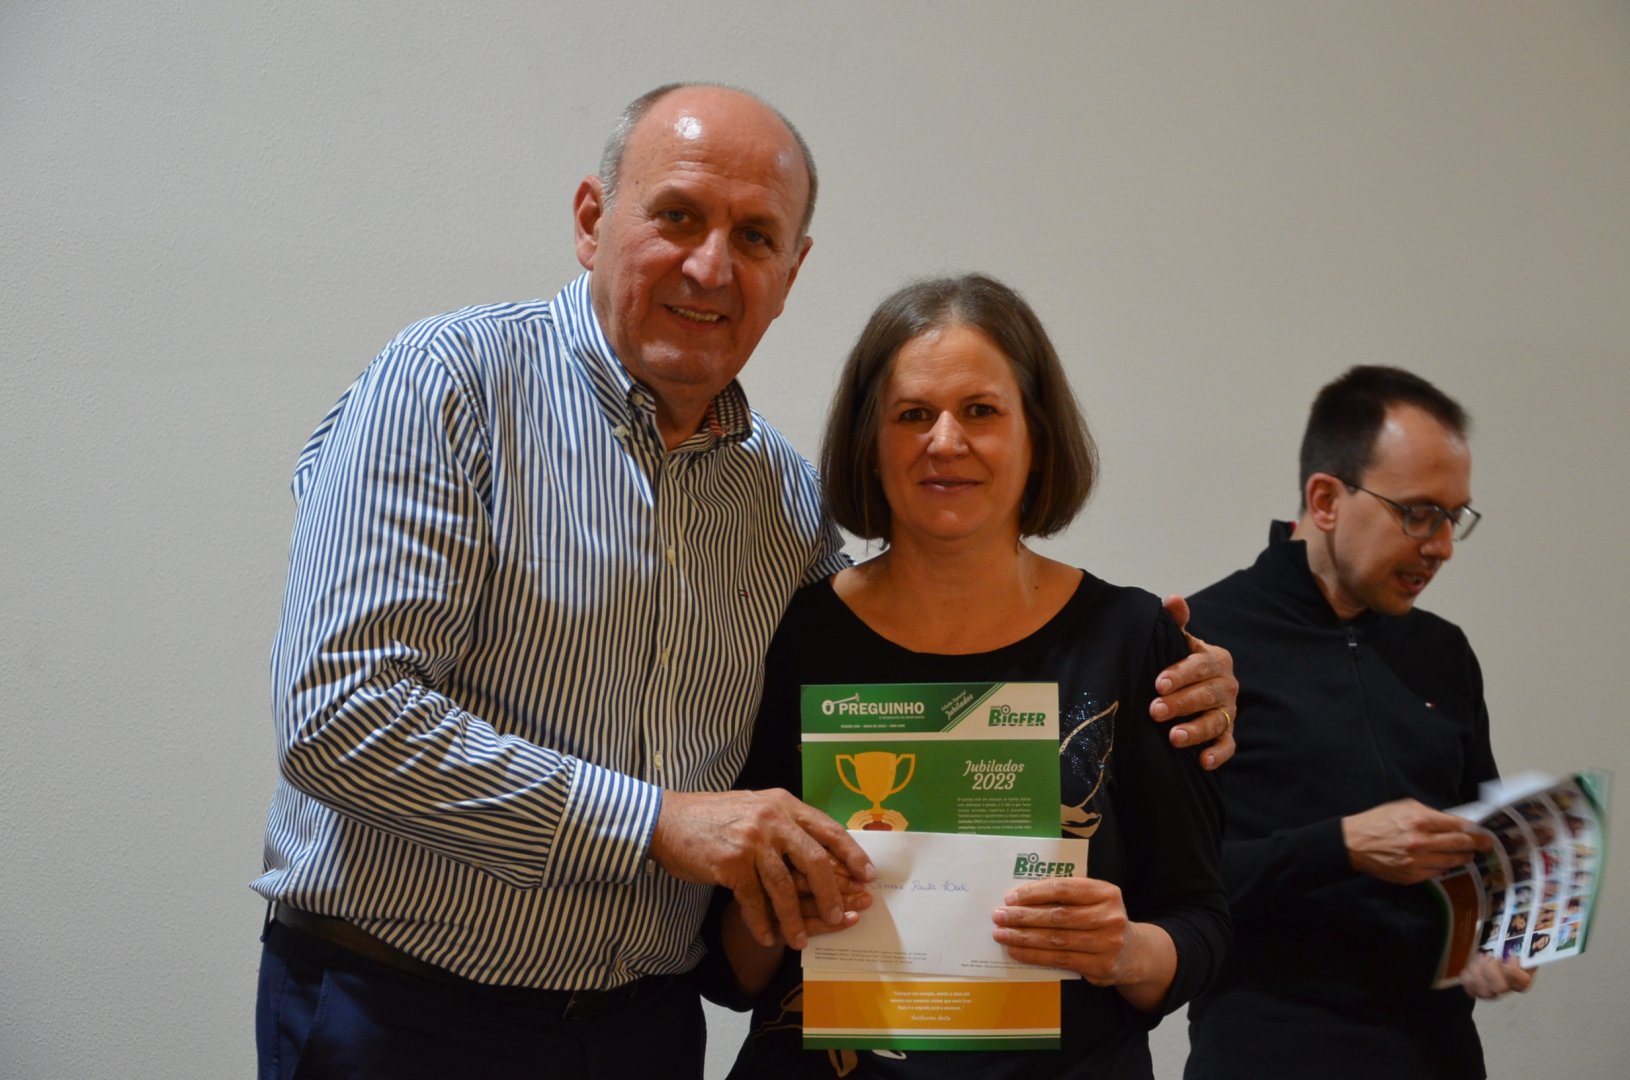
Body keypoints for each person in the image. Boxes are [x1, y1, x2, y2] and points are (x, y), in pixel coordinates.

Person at [251, 84, 1238, 1079]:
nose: (711, 266)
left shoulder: (782, 504)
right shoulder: (450, 385)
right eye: (678, 216)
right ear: (592, 220)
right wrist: (657, 823)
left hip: (641, 1032)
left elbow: (909, 681)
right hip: (407, 1013)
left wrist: (1187, 678)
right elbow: (338, 714)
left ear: (790, 271)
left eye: (755, 236)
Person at [711, 274, 1231, 1079]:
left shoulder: (1132, 641)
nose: (945, 441)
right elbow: (728, 969)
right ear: (869, 440)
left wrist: (1125, 948)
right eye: (912, 414)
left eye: (981, 411)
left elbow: (1203, 925)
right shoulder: (791, 635)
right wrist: (775, 906)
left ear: (1037, 435)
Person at [1182, 366, 1534, 1080]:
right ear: (1325, 500)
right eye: (1419, 513)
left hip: (1439, 1056)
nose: (1441, 545)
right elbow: (1172, 884)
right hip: (1268, 1053)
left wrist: (1498, 938)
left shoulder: (1444, 652)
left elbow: (1485, 848)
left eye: (1454, 516)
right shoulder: (1205, 645)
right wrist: (1342, 846)